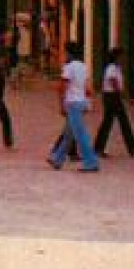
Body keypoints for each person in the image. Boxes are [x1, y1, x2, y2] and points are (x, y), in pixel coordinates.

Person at [48, 41, 100, 171]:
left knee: (80, 134)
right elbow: (87, 88)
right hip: (81, 101)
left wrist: (61, 104)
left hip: (72, 103)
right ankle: (57, 158)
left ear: (68, 52)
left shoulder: (69, 67)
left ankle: (91, 162)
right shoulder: (83, 66)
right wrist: (89, 102)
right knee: (69, 133)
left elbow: (62, 87)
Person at [93, 47, 134, 157]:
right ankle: (132, 148)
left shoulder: (116, 68)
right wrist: (125, 97)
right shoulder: (111, 68)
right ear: (116, 57)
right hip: (112, 97)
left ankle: (98, 147)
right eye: (121, 56)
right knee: (120, 122)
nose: (122, 59)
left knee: (110, 122)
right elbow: (113, 82)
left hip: (113, 96)